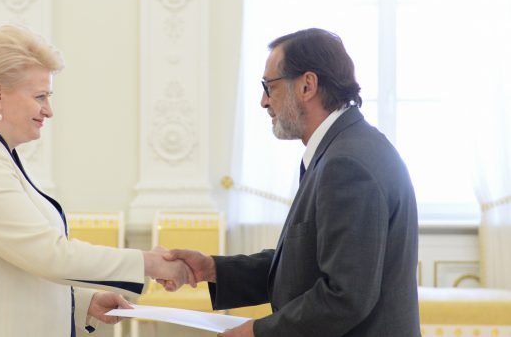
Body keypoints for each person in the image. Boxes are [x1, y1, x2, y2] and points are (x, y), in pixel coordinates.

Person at [0, 24, 194, 337]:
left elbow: (15, 263)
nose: (49, 110)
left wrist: (83, 301)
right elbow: (49, 254)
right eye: (40, 96)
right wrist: (149, 263)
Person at [164, 28, 421, 336]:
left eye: (268, 86)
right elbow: (304, 266)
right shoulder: (343, 149)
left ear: (307, 85)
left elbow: (345, 297)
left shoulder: (347, 164)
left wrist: (257, 332)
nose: (263, 101)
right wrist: (213, 269)